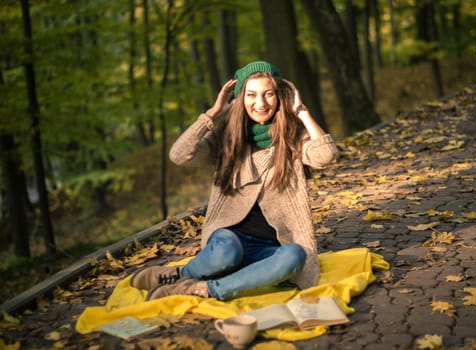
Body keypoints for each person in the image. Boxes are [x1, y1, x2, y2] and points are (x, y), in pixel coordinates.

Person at [130, 61, 338, 301]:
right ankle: (180, 274)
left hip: (271, 249)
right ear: (240, 99)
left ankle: (203, 289)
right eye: (251, 95)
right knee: (226, 252)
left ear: (280, 97)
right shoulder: (226, 139)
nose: (260, 103)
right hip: (229, 241)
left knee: (295, 257)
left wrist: (301, 111)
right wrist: (212, 114)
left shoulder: (292, 138)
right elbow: (179, 154)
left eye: (268, 94)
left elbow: (326, 155)